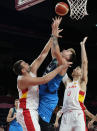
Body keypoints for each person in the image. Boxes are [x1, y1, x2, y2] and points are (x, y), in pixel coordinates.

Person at [13, 31, 71, 131]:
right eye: (25, 64)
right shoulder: (23, 79)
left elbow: (43, 54)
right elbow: (44, 79)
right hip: (27, 111)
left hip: (31, 111)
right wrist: (60, 67)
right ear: (23, 70)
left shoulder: (30, 70)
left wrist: (53, 36)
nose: (28, 63)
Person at [38, 17, 76, 131]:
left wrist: (54, 32)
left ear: (68, 58)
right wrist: (53, 33)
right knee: (32, 121)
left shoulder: (63, 63)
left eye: (67, 51)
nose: (64, 50)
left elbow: (57, 50)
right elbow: (53, 50)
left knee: (41, 123)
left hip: (49, 96)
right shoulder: (57, 58)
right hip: (43, 90)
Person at [59, 36, 89, 131]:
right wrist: (63, 56)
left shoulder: (83, 82)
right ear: (72, 73)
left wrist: (82, 45)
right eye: (76, 68)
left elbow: (84, 63)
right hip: (66, 115)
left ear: (81, 74)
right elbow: (61, 66)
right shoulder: (67, 82)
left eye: (79, 69)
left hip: (78, 114)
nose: (77, 68)